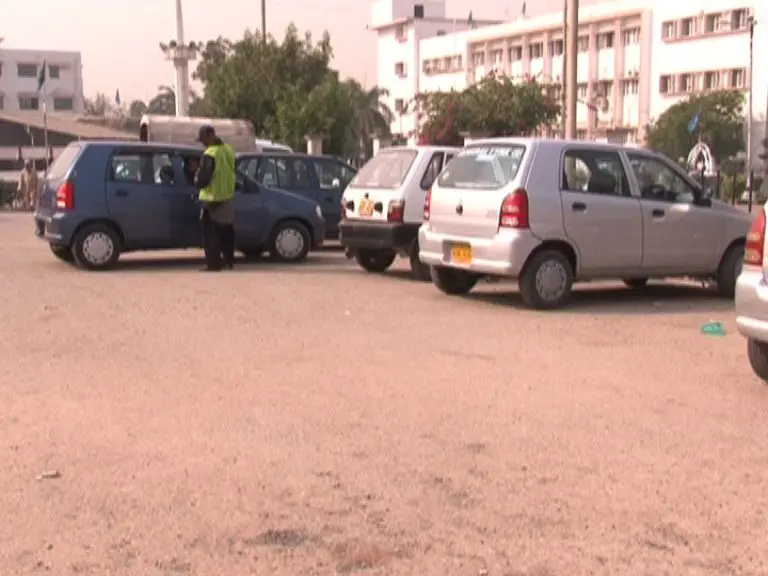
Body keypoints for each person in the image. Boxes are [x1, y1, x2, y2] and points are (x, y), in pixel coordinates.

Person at [194, 125, 237, 272]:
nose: (203, 143)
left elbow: (203, 178)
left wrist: (196, 179)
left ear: (209, 136)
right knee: (227, 232)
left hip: (212, 199)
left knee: (211, 234)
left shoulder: (210, 154)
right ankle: (228, 261)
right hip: (227, 197)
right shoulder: (228, 150)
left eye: (203, 140)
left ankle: (213, 264)